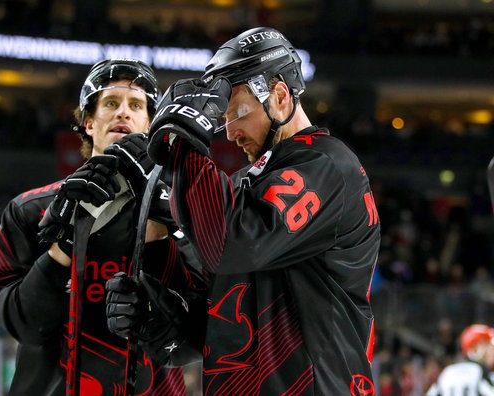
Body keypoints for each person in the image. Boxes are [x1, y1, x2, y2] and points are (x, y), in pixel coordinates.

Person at [106, 26, 381, 394]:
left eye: (237, 115)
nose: (229, 133)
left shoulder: (328, 165)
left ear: (280, 96)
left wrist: (185, 143)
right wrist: (157, 314)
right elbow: (215, 314)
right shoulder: (242, 184)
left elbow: (230, 243)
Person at [0, 58, 204, 395]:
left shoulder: (185, 212)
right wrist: (64, 245)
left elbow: (203, 329)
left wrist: (166, 225)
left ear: (150, 125)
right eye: (111, 103)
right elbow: (22, 325)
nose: (123, 113)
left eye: (136, 105)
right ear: (89, 122)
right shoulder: (30, 209)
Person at [426, 324, 494, 395]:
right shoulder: (482, 373)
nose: (492, 351)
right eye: (488, 345)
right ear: (476, 349)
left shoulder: (447, 372)